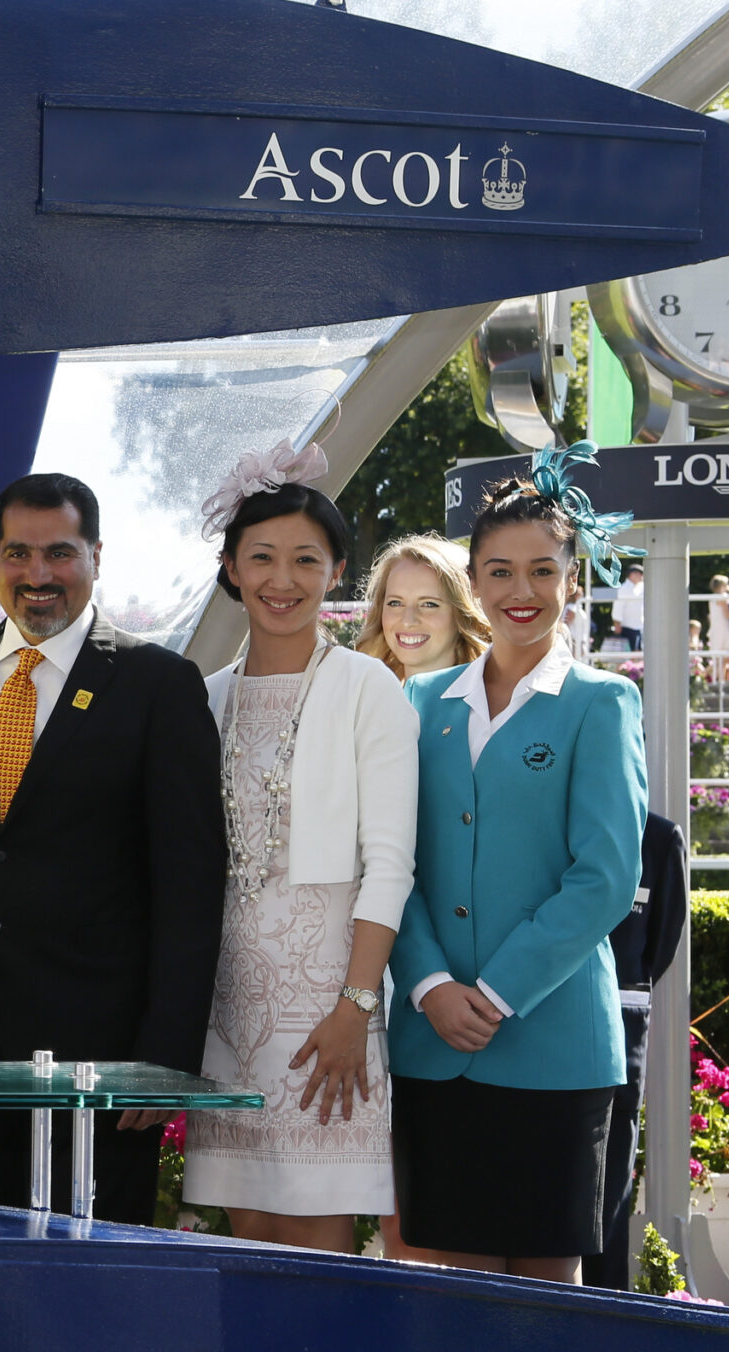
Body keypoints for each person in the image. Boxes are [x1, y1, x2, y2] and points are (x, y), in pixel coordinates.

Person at [0, 471, 225, 1224]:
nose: (38, 575)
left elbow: (192, 881)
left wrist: (166, 1051)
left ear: (97, 556)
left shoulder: (159, 683)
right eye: (19, 553)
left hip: (100, 1051)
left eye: (60, 553)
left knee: (91, 1283)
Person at [391, 446, 646, 1284]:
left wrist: (494, 994)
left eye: (542, 570)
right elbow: (392, 861)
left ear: (572, 579)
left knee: (545, 1307)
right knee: (450, 1298)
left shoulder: (602, 703)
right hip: (432, 1046)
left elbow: (605, 876)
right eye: (499, 571)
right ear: (473, 580)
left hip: (553, 1048)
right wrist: (429, 986)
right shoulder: (419, 705)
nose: (521, 592)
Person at [184, 452, 417, 1251]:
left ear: (336, 570)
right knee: (245, 1238)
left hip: (327, 1012)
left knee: (319, 1243)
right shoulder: (204, 697)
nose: (283, 579)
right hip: (228, 1012)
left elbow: (390, 865)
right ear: (231, 568)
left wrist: (356, 1006)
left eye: (306, 560)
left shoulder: (367, 687)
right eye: (262, 557)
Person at [588, 811, 688, 1291]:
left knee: (610, 1188)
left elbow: (659, 949)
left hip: (622, 1031)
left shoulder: (660, 838)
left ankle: (606, 1308)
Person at [354, 533, 489, 682]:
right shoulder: (363, 697)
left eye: (429, 604)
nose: (408, 620)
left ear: (463, 614)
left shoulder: (494, 703)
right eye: (396, 603)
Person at [708, 574, 729, 681]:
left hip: (719, 630)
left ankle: (724, 681)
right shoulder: (722, 597)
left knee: (728, 657)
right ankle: (709, 673)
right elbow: (728, 614)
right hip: (724, 630)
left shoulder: (712, 598)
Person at [615, 564, 645, 656]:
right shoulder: (624, 588)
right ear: (632, 574)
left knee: (638, 652)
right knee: (629, 654)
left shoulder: (641, 587)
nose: (641, 576)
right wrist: (617, 624)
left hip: (639, 626)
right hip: (628, 626)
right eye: (640, 573)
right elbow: (618, 607)